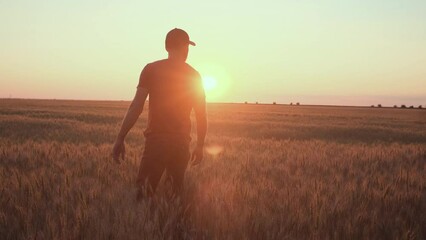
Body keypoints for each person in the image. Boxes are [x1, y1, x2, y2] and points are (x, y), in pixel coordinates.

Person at [112, 28, 207, 199]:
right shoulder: (194, 75)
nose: (187, 51)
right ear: (185, 48)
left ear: (167, 47)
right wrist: (199, 145)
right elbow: (201, 114)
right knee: (174, 197)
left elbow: (136, 106)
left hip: (157, 142)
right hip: (181, 143)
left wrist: (120, 138)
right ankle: (173, 225)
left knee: (142, 195)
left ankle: (144, 225)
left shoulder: (151, 69)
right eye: (187, 47)